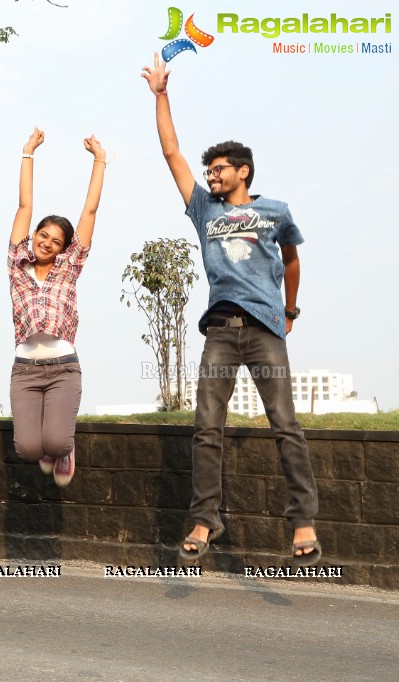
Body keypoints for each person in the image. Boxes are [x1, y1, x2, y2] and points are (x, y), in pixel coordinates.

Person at [141, 54, 320, 565]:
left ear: (243, 171)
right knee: (207, 427)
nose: (210, 175)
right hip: (220, 329)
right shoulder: (204, 209)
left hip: (265, 328)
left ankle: (303, 521)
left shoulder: (275, 211)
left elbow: (291, 261)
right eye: (209, 171)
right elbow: (170, 151)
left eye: (219, 169)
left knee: (284, 422)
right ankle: (204, 519)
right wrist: (160, 95)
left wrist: (290, 312)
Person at [8, 128, 106, 487]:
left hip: (63, 368)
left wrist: (99, 160)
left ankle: (64, 448)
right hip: (25, 370)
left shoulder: (70, 267)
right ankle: (50, 447)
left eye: (56, 241)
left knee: (58, 440)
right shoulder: (16, 262)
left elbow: (90, 209)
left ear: (65, 248)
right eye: (42, 235)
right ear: (34, 236)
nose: (47, 243)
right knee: (29, 449)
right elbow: (24, 205)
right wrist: (28, 152)